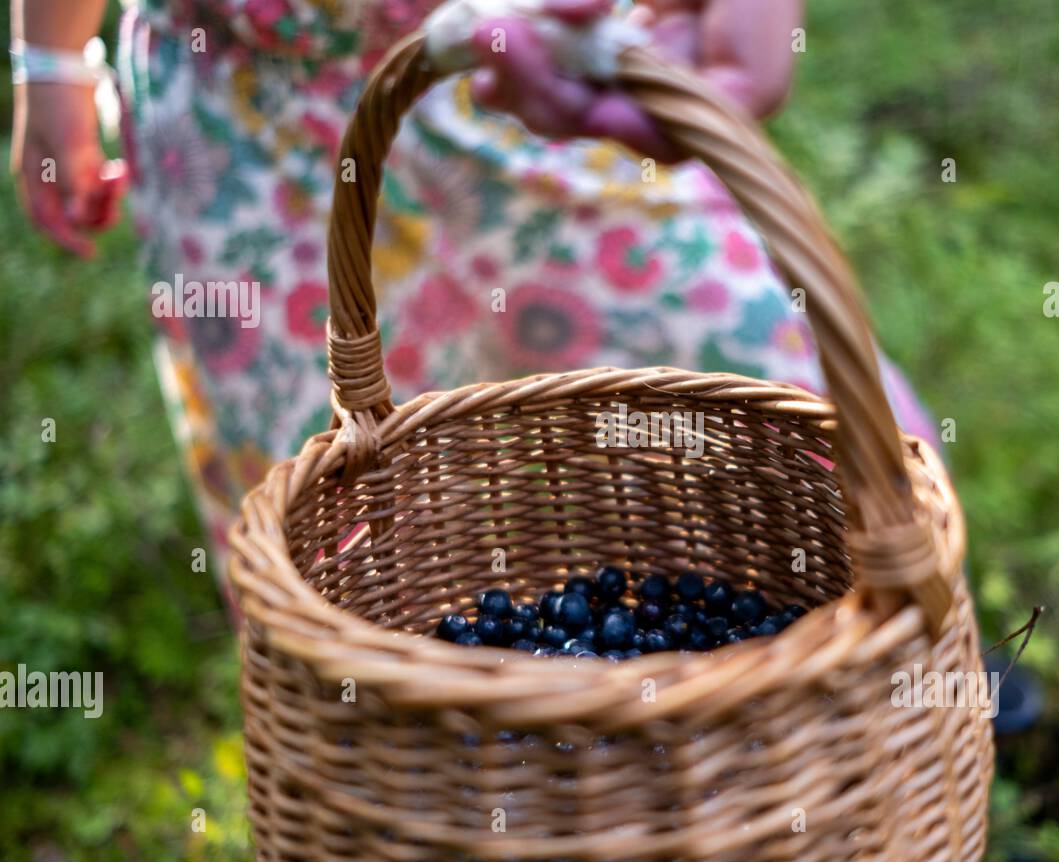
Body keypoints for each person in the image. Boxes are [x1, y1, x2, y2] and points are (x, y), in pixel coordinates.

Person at [11, 0, 939, 589]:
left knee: (778, 374)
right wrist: (49, 54)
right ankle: (428, 789)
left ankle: (914, 677)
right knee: (338, 520)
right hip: (250, 113)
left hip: (509, 59)